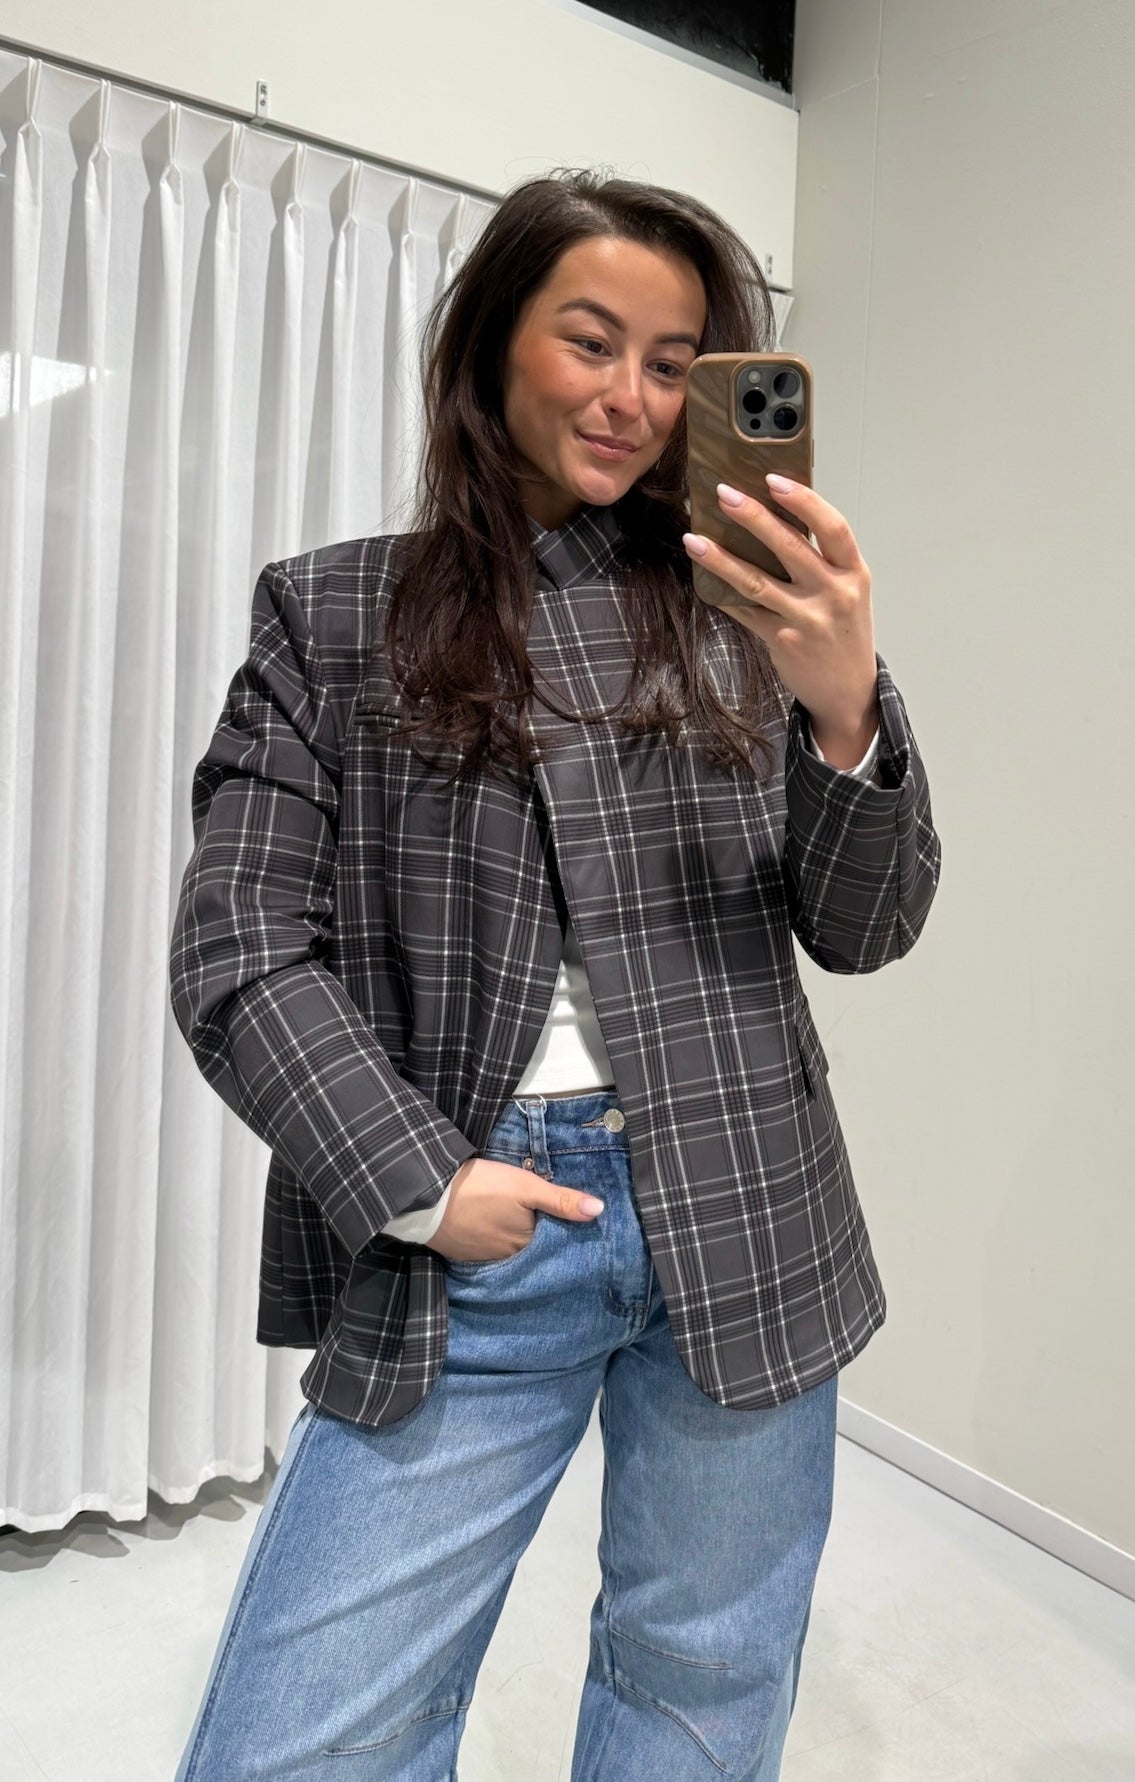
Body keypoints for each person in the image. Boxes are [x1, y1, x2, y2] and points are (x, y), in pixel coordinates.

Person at [169, 165, 940, 1781]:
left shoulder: (749, 610)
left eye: (673, 364)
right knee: (307, 1735)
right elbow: (239, 947)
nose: (631, 398)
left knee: (701, 1681)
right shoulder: (338, 614)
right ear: (493, 342)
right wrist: (421, 1180)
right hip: (481, 1219)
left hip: (751, 1200)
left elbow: (865, 927)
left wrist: (844, 708)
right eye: (592, 341)